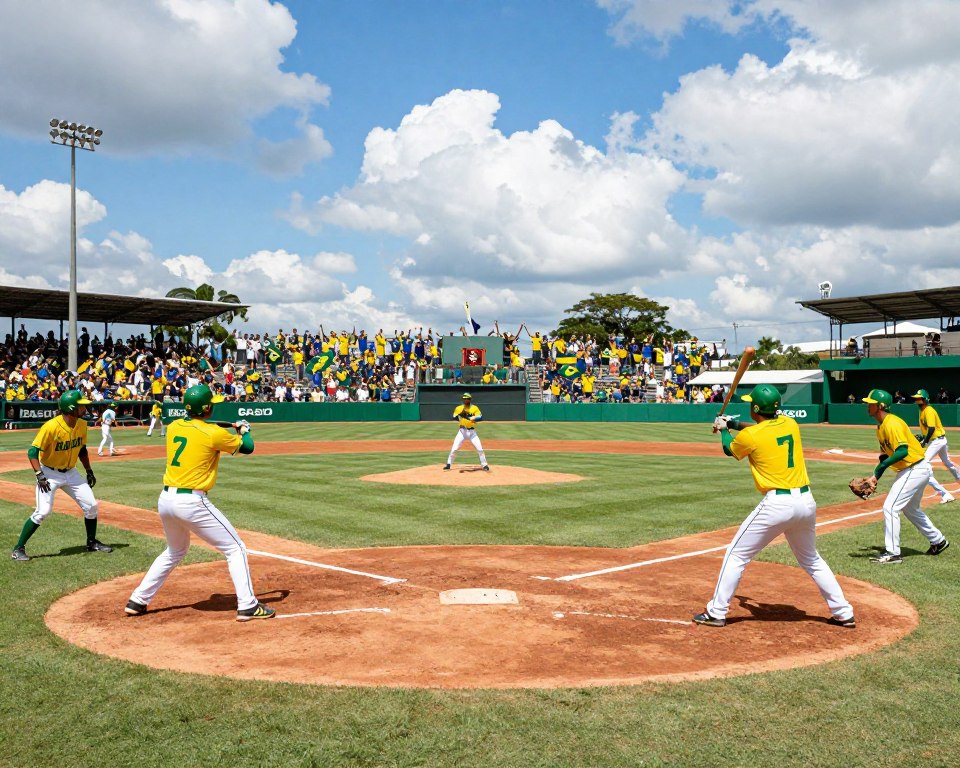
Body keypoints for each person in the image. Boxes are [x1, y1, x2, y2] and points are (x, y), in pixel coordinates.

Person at [693, 384, 855, 628]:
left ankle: (717, 612)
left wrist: (724, 430)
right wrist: (732, 425)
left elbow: (730, 449)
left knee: (736, 555)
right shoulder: (790, 424)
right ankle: (843, 613)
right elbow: (761, 430)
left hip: (778, 504)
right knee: (812, 560)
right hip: (806, 501)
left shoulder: (752, 436)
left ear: (755, 408)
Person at [124, 384, 275, 621]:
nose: (214, 406)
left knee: (174, 551)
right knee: (235, 549)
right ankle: (247, 605)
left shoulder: (174, 427)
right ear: (206, 408)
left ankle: (138, 599)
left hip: (166, 499)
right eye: (211, 404)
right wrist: (244, 429)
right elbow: (248, 447)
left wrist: (215, 422)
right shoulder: (214, 433)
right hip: (192, 501)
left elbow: (194, 423)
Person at [11, 390, 113, 561]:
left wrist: (88, 470)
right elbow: (32, 452)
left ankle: (91, 542)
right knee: (42, 511)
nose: (84, 408)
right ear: (71, 408)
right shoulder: (51, 426)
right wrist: (40, 475)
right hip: (49, 473)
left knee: (91, 506)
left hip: (71, 473)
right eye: (81, 405)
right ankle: (18, 549)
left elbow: (82, 449)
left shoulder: (81, 424)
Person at [861, 389, 949, 564]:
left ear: (880, 406)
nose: (867, 406)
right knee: (910, 509)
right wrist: (875, 477)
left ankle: (893, 553)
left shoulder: (892, 423)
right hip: (913, 469)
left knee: (890, 507)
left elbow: (902, 451)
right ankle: (938, 541)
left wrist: (881, 468)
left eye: (870, 403)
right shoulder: (880, 427)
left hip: (914, 468)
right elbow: (885, 456)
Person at [910, 389, 959, 503]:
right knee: (948, 462)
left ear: (925, 400)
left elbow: (931, 428)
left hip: (937, 441)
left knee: (922, 466)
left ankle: (945, 494)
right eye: (916, 399)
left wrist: (924, 441)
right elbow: (928, 429)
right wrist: (923, 437)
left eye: (919, 399)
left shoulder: (928, 410)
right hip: (939, 440)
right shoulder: (922, 411)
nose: (917, 401)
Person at [444, 392, 489, 471]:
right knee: (454, 448)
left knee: (480, 449)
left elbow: (480, 417)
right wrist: (460, 416)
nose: (465, 400)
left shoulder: (474, 408)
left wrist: (469, 417)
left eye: (467, 399)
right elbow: (453, 416)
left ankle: (484, 465)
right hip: (462, 432)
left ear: (470, 399)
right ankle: (448, 464)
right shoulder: (459, 408)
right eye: (464, 399)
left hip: (472, 433)